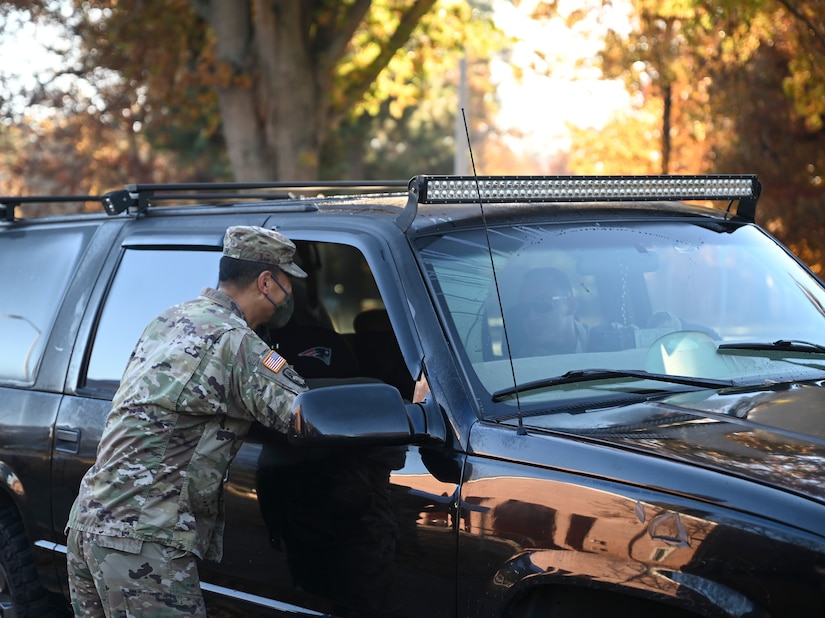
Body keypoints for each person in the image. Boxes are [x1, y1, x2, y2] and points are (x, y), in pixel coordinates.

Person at [65, 225, 309, 617]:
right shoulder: (236, 342)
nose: (290, 295)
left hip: (87, 526)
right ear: (266, 282)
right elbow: (305, 413)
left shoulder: (167, 320)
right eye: (288, 283)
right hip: (142, 542)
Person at [510, 266, 588, 356]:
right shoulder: (519, 364)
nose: (531, 317)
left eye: (542, 303)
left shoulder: (604, 346)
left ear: (571, 305)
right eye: (523, 308)